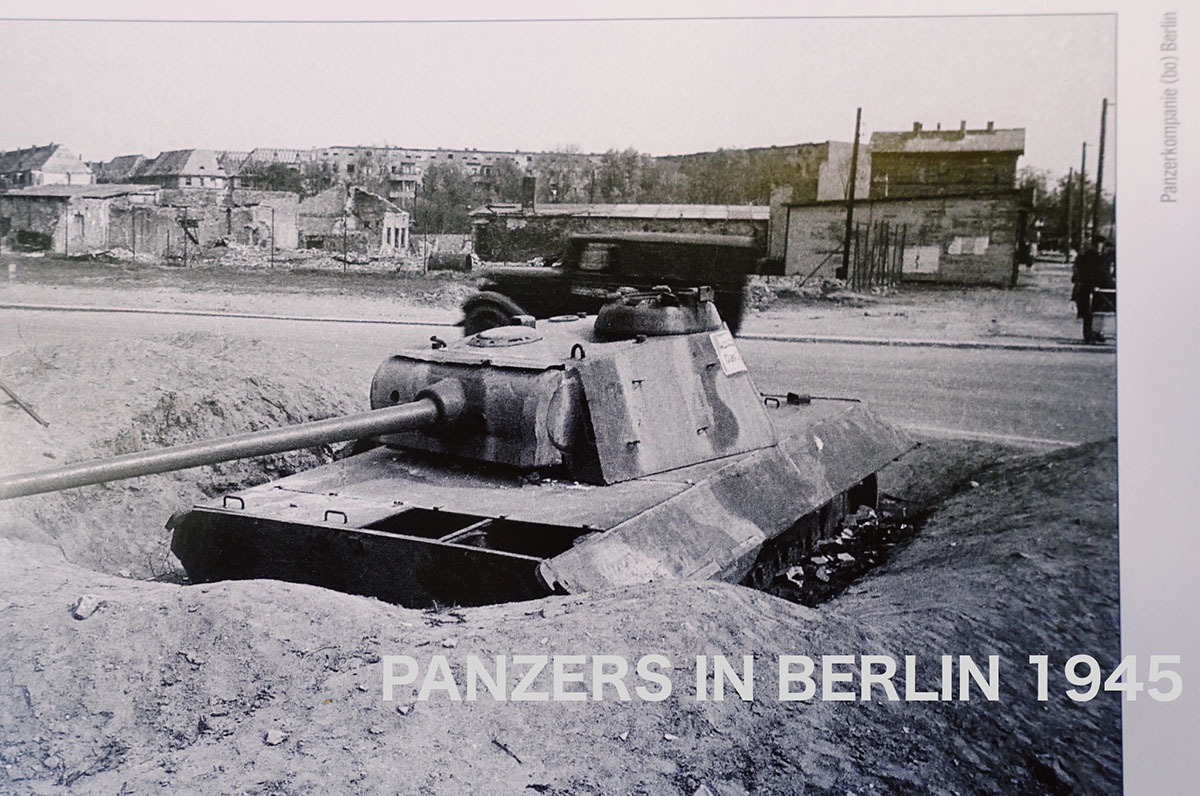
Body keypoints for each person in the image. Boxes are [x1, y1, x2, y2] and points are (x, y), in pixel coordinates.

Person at [1071, 237, 1113, 343]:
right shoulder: (1087, 257)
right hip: (1088, 288)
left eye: (1101, 245)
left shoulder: (1106, 257)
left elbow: (1107, 273)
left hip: (1103, 288)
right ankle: (1088, 335)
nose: (1099, 247)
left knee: (1100, 312)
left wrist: (1109, 285)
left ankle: (1097, 332)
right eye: (1097, 245)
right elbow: (1083, 272)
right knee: (1088, 313)